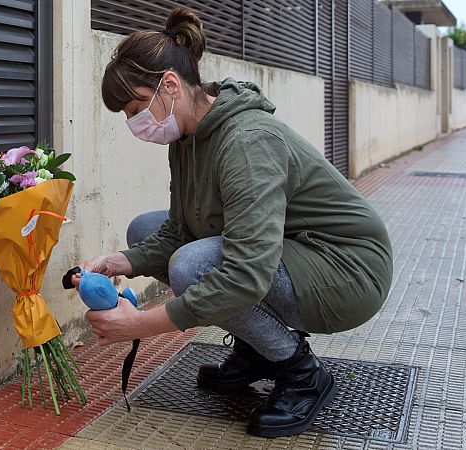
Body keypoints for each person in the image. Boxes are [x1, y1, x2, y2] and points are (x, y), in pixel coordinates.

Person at [71, 7, 393, 438]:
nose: (134, 123)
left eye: (135, 108)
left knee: (192, 265)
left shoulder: (246, 142)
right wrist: (121, 262)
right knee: (144, 231)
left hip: (348, 270)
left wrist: (141, 325)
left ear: (168, 85)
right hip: (294, 253)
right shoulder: (186, 138)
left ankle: (302, 373)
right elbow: (180, 228)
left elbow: (246, 274)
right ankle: (257, 349)